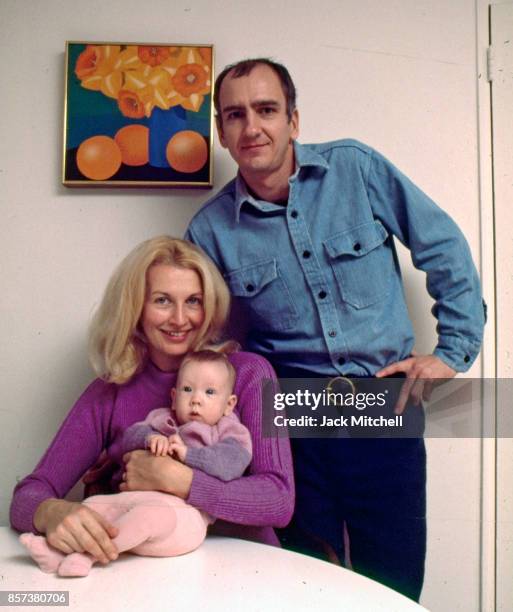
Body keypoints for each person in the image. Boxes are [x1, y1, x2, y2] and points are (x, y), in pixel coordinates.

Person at [184, 58, 486, 601]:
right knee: (303, 583)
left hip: (382, 403)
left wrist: (453, 351)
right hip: (290, 419)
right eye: (235, 115)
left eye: (266, 109)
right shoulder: (208, 230)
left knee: (391, 582)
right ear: (222, 133)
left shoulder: (355, 168)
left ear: (293, 121)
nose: (252, 126)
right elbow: (215, 344)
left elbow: (443, 247)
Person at [10, 236, 294, 569]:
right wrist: (52, 512)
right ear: (135, 307)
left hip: (248, 567)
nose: (179, 318)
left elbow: (278, 500)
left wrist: (179, 481)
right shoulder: (110, 392)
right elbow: (28, 495)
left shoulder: (248, 374)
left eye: (193, 301)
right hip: (147, 573)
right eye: (162, 300)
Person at [19, 350, 253, 576]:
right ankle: (54, 553)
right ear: (174, 396)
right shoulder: (161, 419)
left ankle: (88, 556)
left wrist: (187, 456)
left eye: (210, 392)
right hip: (135, 501)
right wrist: (150, 439)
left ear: (229, 404)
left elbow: (231, 463)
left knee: (148, 518)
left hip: (185, 517)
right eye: (187, 389)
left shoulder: (227, 430)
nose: (196, 400)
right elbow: (129, 439)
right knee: (95, 505)